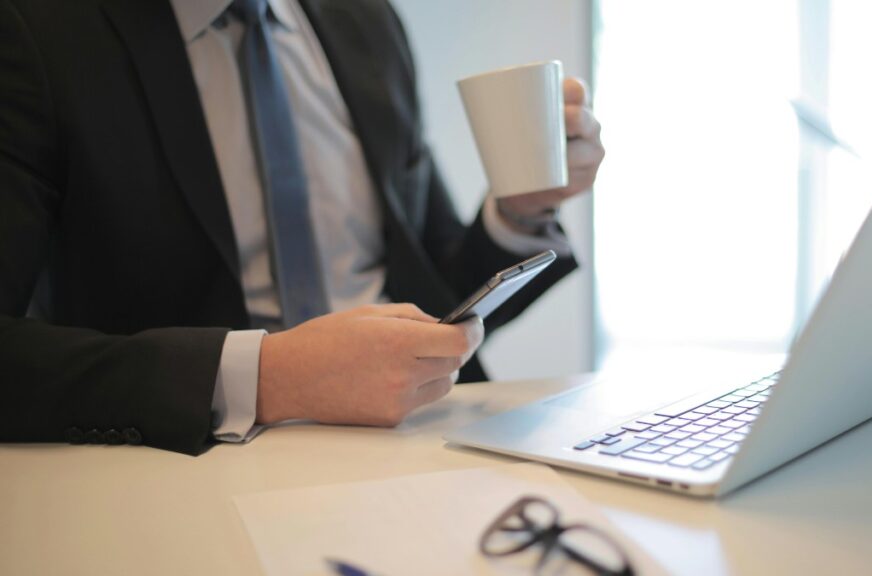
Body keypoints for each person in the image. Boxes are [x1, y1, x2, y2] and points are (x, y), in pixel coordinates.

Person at [0, 0, 604, 455]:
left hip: (427, 440)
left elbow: (435, 286)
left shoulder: (366, 20)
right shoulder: (39, 30)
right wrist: (271, 377)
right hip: (190, 466)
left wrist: (521, 211)